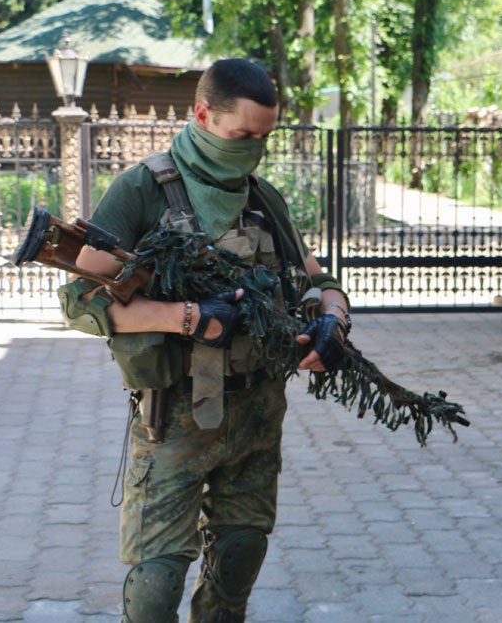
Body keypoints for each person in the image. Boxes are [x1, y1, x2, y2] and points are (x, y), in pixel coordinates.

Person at [59, 58, 352, 621]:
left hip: (257, 414)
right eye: (242, 136)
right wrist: (189, 317)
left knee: (240, 555)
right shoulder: (142, 190)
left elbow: (320, 280)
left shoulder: (262, 196)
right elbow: (80, 301)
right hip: (175, 417)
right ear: (202, 115)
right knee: (155, 582)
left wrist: (332, 321)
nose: (253, 149)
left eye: (264, 137)